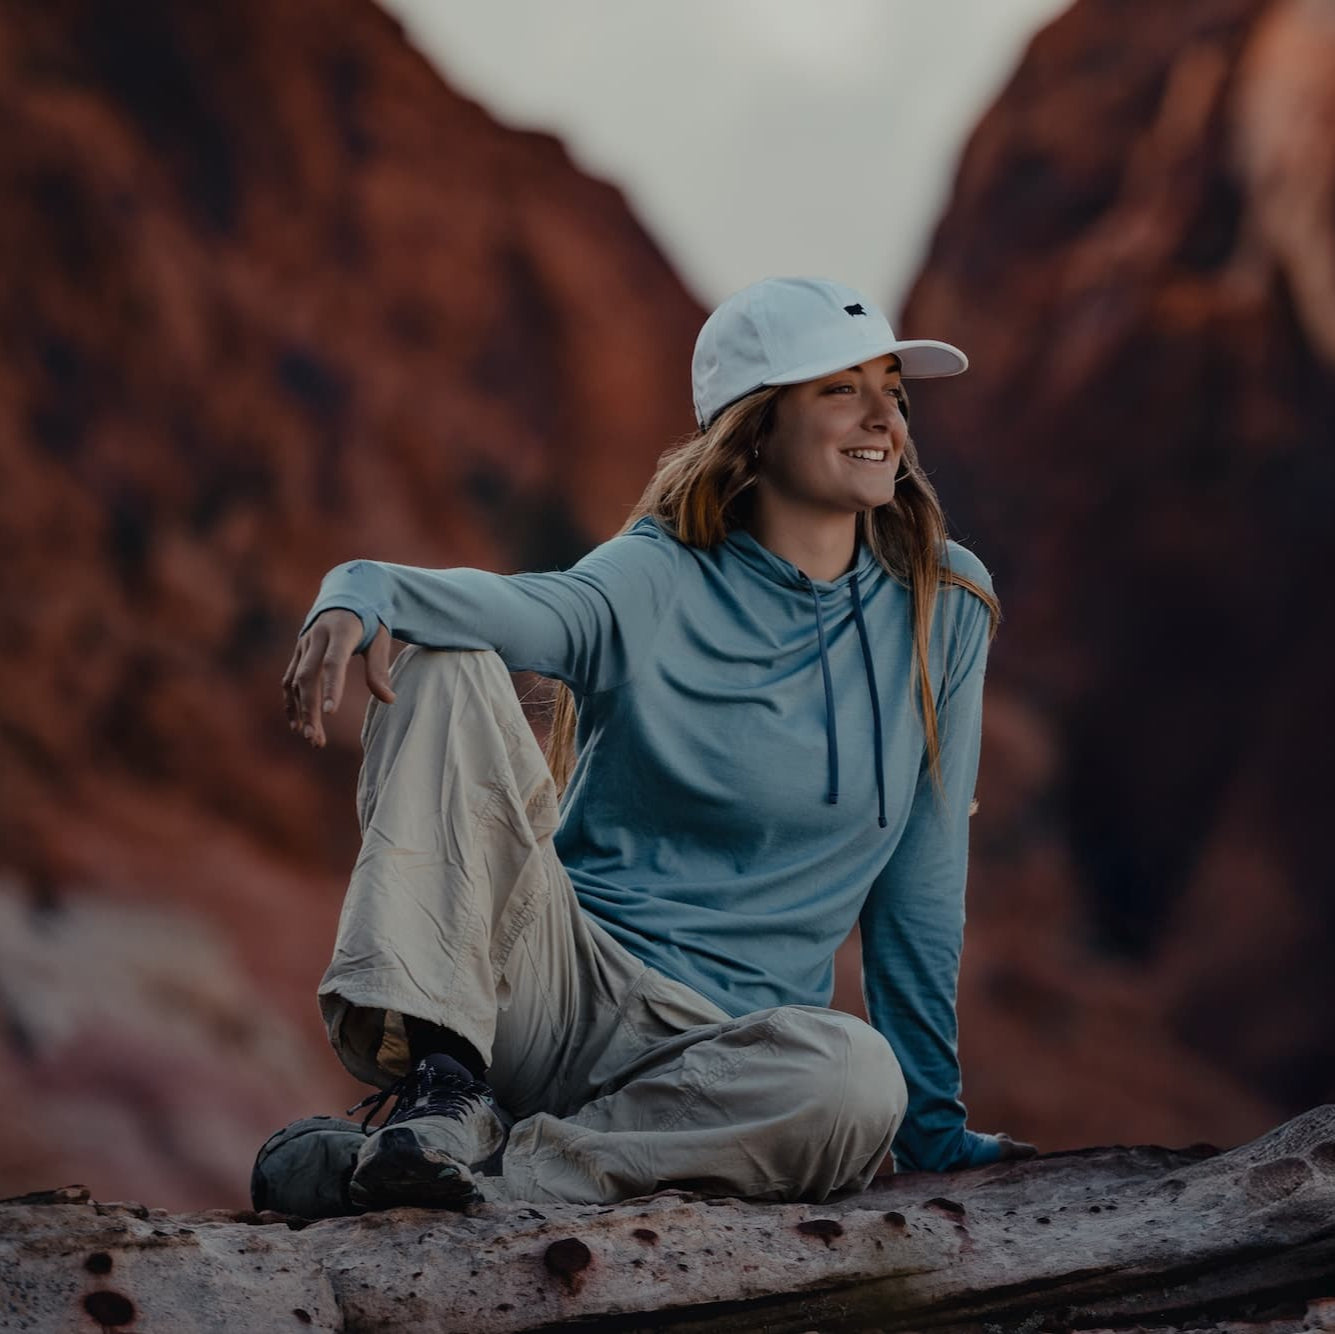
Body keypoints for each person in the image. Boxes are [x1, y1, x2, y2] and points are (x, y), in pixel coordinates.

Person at [254, 276, 1037, 1218]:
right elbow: (526, 609)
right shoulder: (659, 570)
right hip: (558, 990)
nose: (885, 418)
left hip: (726, 1056)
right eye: (841, 389)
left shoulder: (942, 604)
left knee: (856, 1080)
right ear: (756, 425)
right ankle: (446, 1094)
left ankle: (473, 1180)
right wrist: (360, 587)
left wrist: (934, 1129)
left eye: (893, 391)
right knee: (442, 662)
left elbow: (922, 882)